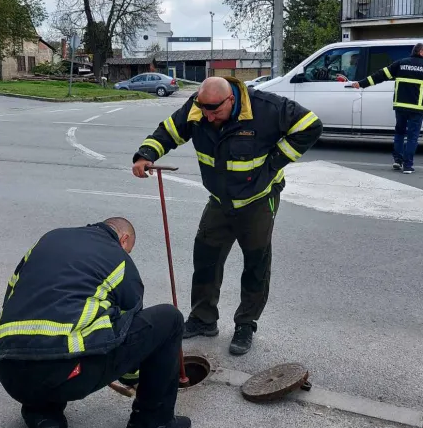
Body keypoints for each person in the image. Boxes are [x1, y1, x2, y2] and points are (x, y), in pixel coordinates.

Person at [132, 76, 322, 356]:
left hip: (258, 200)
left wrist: (274, 162)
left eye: (215, 111)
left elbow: (310, 126)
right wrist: (145, 154)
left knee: (256, 263)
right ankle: (203, 319)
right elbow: (170, 131)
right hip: (220, 201)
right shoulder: (199, 108)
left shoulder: (266, 108)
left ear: (231, 99)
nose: (208, 116)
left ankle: (246, 324)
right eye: (204, 110)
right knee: (206, 258)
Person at [0, 218, 190, 428]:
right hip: (67, 370)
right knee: (169, 318)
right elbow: (131, 324)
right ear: (124, 240)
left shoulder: (50, 238)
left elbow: (12, 292)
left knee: (40, 372)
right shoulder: (117, 257)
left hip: (9, 371)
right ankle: (151, 424)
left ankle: (45, 423)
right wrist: (130, 375)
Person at [352, 42, 423, 175]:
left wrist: (361, 84)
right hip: (417, 109)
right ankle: (408, 166)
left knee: (399, 134)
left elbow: (380, 75)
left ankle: (398, 160)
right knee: (412, 137)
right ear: (421, 52)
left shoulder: (400, 63)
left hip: (400, 107)